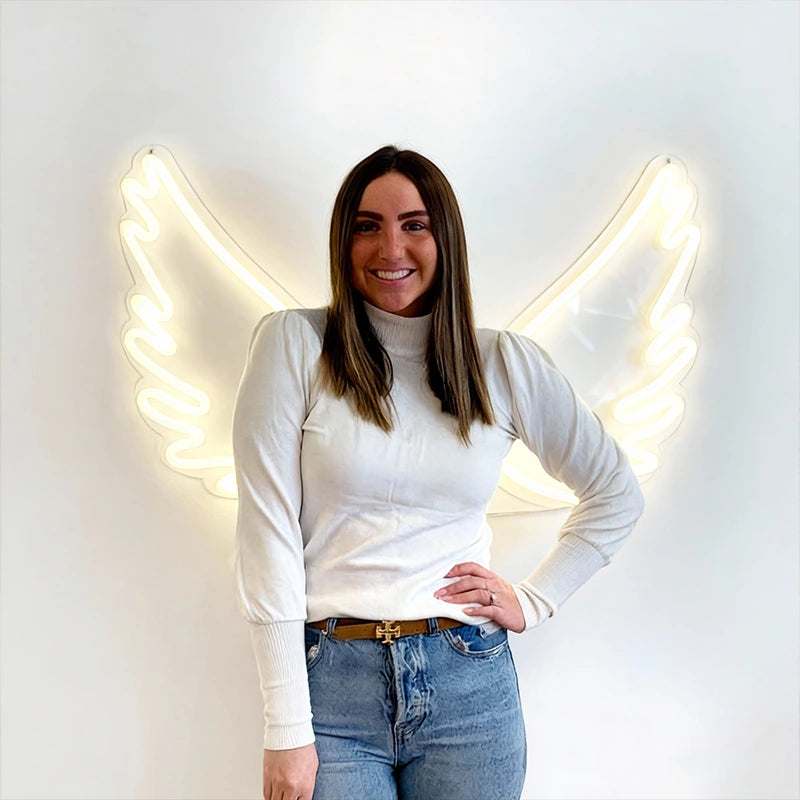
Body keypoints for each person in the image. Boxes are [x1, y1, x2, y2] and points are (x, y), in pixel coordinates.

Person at [232, 146, 645, 800]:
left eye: (414, 225)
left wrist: (534, 600)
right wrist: (286, 726)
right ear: (343, 241)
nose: (390, 247)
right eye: (367, 226)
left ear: (444, 238)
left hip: (468, 686)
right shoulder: (294, 345)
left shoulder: (502, 363)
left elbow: (615, 492)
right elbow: (267, 539)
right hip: (332, 689)